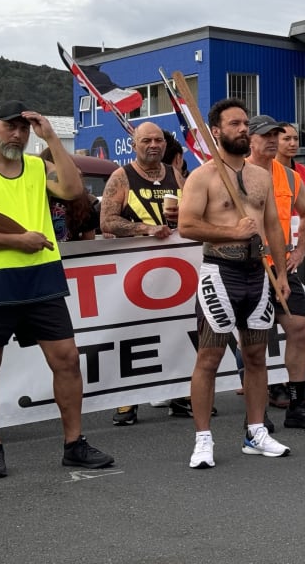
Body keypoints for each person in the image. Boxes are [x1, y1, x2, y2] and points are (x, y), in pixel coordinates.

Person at [0, 100, 114, 478]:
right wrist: (17, 241)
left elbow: (73, 191)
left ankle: (74, 444)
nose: (18, 134)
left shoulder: (38, 166)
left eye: (24, 128)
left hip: (42, 277)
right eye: (11, 127)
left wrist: (51, 136)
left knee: (67, 360)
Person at [177, 98, 291, 468]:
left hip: (258, 275)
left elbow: (272, 224)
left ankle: (255, 431)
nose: (243, 129)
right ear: (217, 131)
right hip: (220, 273)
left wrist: (282, 273)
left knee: (257, 355)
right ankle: (203, 439)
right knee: (208, 358)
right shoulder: (203, 176)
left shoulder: (262, 174)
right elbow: (187, 226)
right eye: (235, 124)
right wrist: (232, 231)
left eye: (245, 123)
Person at [245, 115, 305, 430]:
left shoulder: (289, 177)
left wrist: (300, 252)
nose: (272, 140)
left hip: (280, 264)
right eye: (266, 135)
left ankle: (297, 404)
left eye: (275, 135)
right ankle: (256, 413)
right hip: (246, 264)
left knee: (299, 329)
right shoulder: (236, 173)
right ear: (250, 139)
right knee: (252, 341)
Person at [99, 122, 183, 426]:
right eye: (146, 140)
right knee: (131, 334)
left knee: (176, 330)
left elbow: (193, 212)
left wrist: (182, 217)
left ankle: (179, 395)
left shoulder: (175, 174)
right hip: (134, 266)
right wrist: (145, 229)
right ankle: (126, 401)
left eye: (158, 140)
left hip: (175, 266)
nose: (153, 145)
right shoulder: (121, 176)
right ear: (134, 145)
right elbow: (107, 221)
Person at [39, 148, 98, 243]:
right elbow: (89, 238)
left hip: (57, 254)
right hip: (68, 254)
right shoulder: (34, 194)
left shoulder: (81, 198)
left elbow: (89, 236)